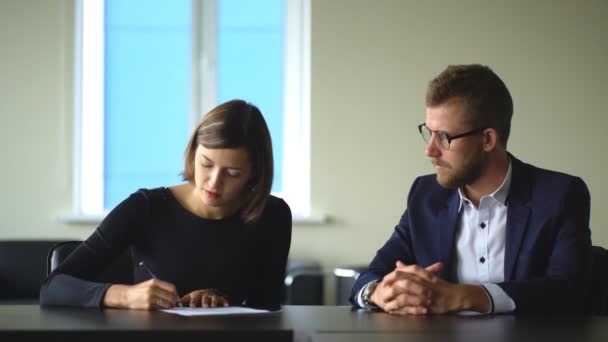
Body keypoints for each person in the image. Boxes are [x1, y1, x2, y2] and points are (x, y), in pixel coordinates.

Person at [350, 64, 591, 315]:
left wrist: (466, 296)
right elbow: (371, 275)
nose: (430, 150)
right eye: (428, 133)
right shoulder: (425, 195)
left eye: (444, 137)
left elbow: (571, 292)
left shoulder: (560, 195)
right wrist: (377, 292)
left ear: (487, 139)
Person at [40, 99, 292, 310]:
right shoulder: (145, 208)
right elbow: (53, 287)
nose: (214, 182)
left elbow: (268, 306)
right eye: (206, 164)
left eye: (233, 173)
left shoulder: (273, 216)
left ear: (254, 174)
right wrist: (126, 296)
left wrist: (220, 299)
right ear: (193, 152)